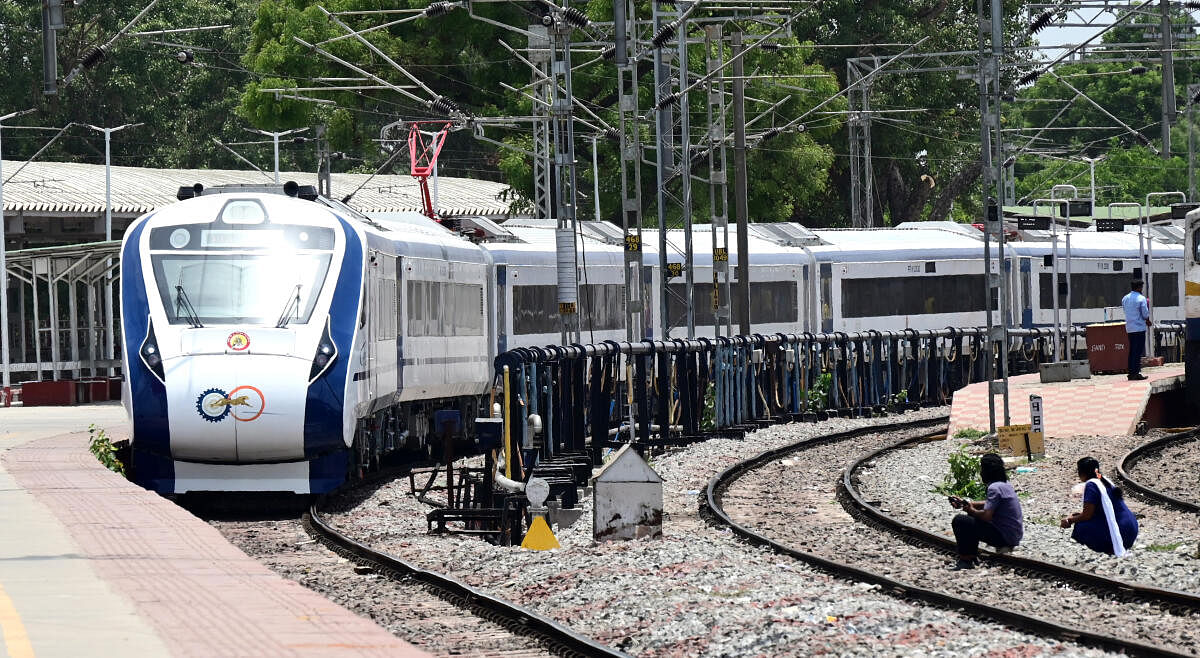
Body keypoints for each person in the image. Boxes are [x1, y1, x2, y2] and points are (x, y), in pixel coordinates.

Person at [948, 453, 1024, 570]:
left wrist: (971, 510)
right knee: (971, 520)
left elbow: (986, 516)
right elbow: (990, 503)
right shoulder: (1005, 484)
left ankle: (966, 560)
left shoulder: (994, 488)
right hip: (1014, 534)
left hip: (1004, 537)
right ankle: (972, 555)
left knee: (960, 521)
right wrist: (968, 503)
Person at [1060, 457, 1138, 555]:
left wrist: (1069, 520)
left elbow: (1087, 515)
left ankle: (1105, 549)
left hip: (1122, 531)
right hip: (1131, 527)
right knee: (1082, 520)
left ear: (1082, 473)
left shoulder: (1091, 485)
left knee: (1081, 526)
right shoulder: (1105, 480)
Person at [1121, 279, 1151, 381]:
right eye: (1141, 287)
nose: (1141, 289)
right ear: (1139, 287)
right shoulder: (1141, 298)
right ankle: (1136, 373)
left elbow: (1125, 311)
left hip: (1129, 328)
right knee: (1138, 351)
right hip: (1139, 328)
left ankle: (1130, 373)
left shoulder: (1125, 298)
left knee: (1132, 351)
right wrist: (1147, 320)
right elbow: (1145, 314)